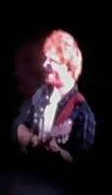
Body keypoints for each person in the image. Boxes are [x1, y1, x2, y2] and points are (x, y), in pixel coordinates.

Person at [14, 30, 96, 162]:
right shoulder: (42, 93)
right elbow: (23, 125)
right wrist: (28, 137)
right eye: (46, 59)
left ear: (68, 67)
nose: (44, 64)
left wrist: (59, 152)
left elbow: (83, 164)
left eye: (51, 60)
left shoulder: (83, 114)